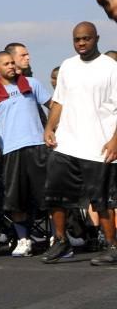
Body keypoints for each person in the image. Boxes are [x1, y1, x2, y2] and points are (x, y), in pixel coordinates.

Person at [41, 22, 117, 263]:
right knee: (55, 195)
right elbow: (59, 101)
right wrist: (50, 126)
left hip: (98, 146)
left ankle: (113, 247)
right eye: (77, 39)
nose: (81, 43)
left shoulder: (111, 68)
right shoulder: (67, 66)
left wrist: (115, 140)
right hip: (66, 143)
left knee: (101, 200)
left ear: (97, 38)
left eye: (86, 38)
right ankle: (61, 241)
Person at [0, 51, 52, 258]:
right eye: (6, 63)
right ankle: (23, 240)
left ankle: (59, 238)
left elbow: (54, 106)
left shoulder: (31, 83)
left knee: (48, 195)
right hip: (10, 151)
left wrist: (52, 129)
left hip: (37, 146)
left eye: (12, 62)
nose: (11, 66)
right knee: (15, 199)